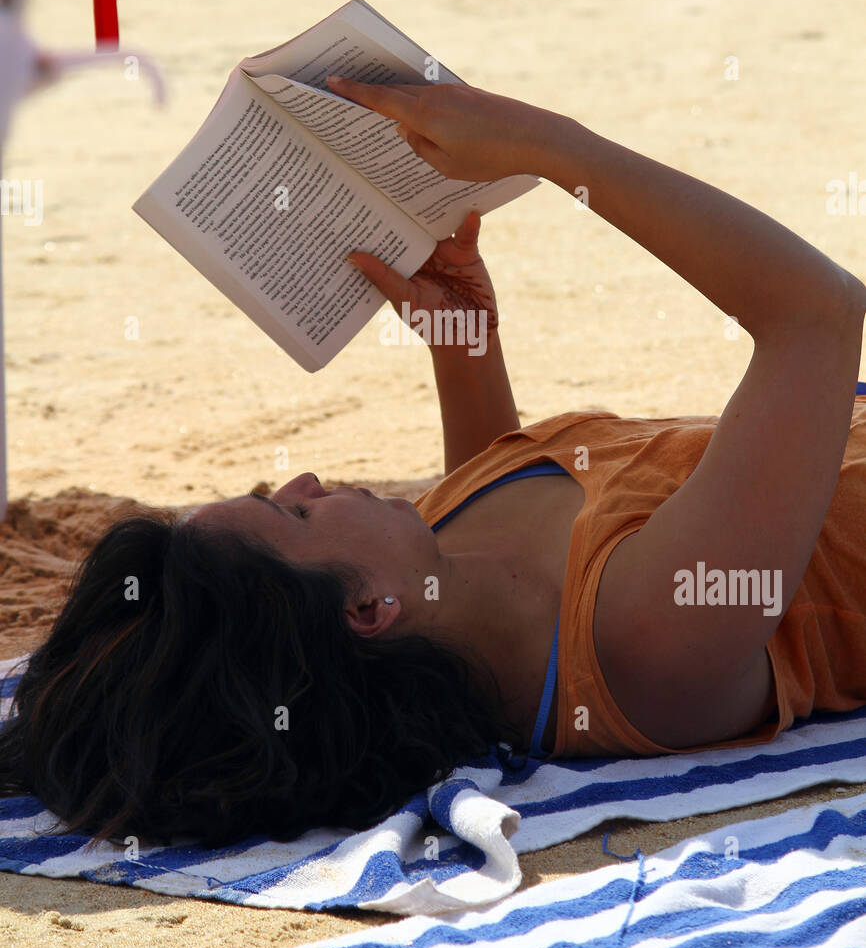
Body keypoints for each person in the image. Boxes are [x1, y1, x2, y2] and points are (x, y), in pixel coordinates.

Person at [1, 77, 864, 849]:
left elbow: (513, 510)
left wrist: (464, 347)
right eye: (294, 513)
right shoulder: (653, 642)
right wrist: (556, 147)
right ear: (370, 610)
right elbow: (819, 317)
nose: (306, 481)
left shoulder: (437, 569)